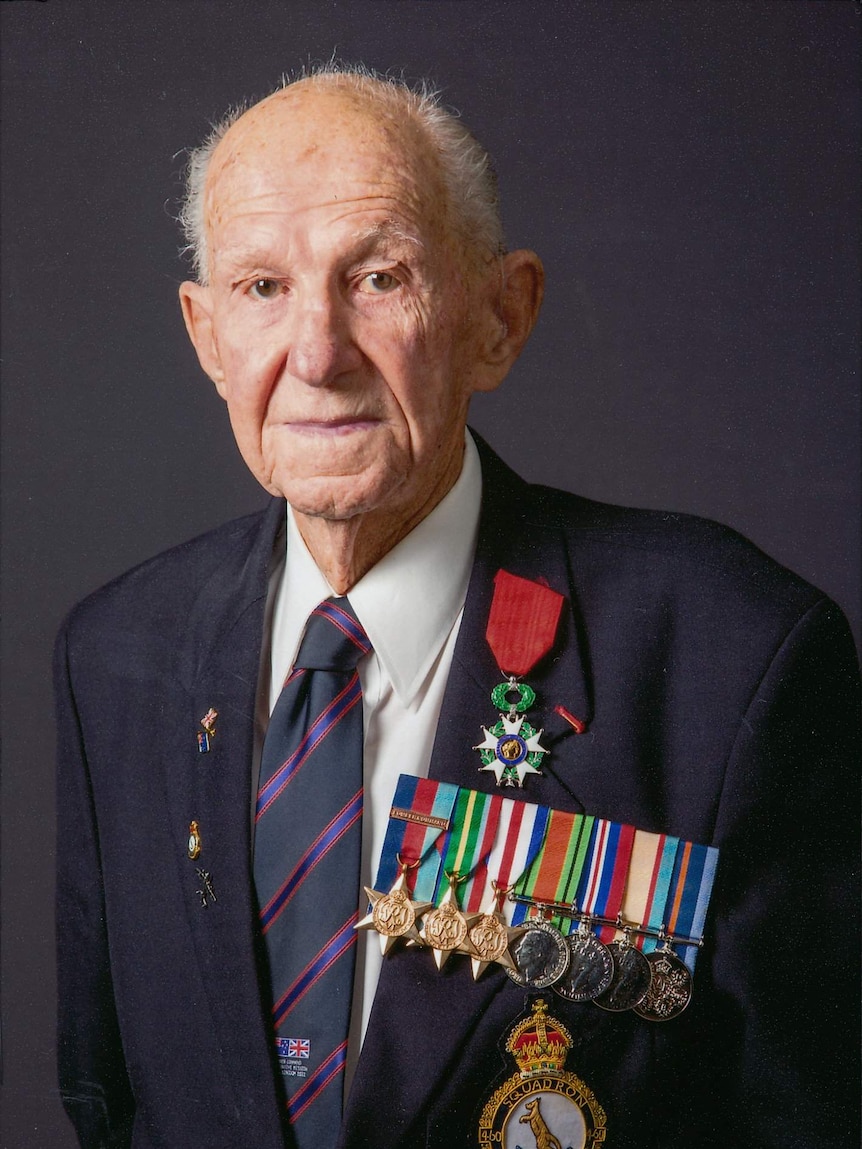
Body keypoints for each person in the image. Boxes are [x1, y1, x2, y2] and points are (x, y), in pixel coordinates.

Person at [55, 66, 860, 1149]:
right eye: (261, 289)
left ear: (501, 314)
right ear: (205, 337)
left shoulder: (732, 652)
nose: (317, 354)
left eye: (377, 277)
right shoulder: (117, 655)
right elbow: (109, 1105)